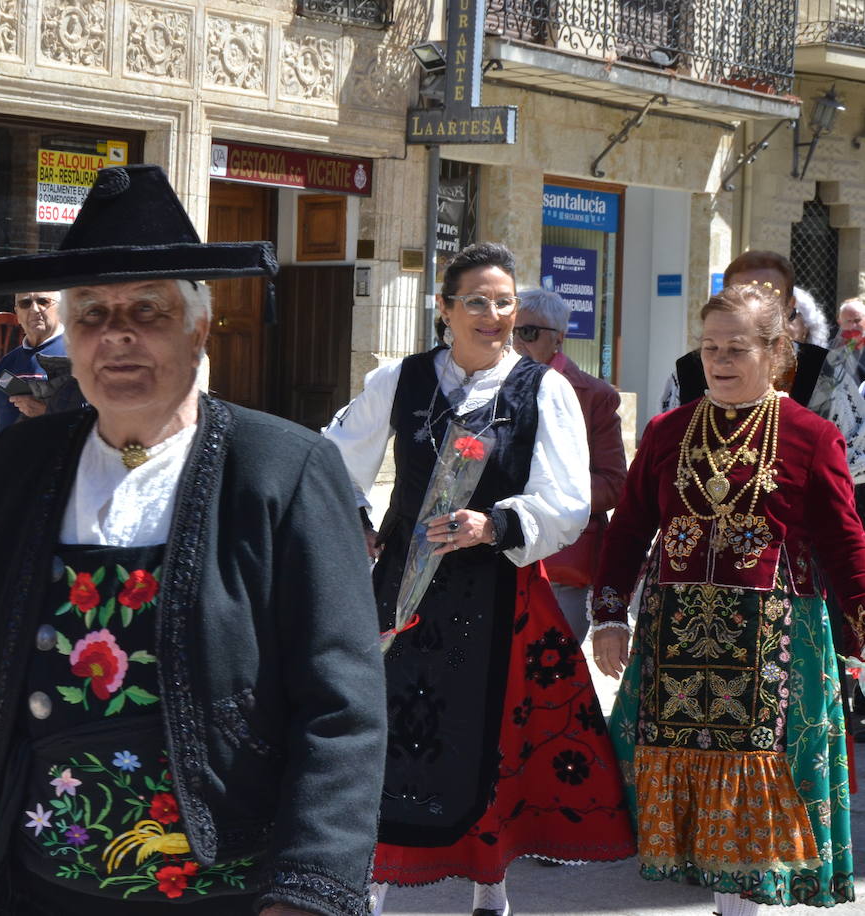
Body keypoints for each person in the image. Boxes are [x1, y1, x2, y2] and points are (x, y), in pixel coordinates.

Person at [0, 164, 387, 916]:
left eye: (149, 311)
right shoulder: (21, 465)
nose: (119, 336)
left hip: (228, 890)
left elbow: (342, 708)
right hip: (36, 885)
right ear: (68, 338)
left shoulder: (285, 469)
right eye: (94, 315)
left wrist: (307, 892)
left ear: (200, 329)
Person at [324, 242, 635, 916]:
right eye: (477, 302)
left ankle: (489, 890)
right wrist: (356, 518)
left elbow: (566, 499)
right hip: (402, 590)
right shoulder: (400, 382)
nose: (493, 315)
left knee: (487, 738)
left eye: (504, 303)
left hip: (497, 595)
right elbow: (333, 456)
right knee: (385, 730)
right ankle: (369, 889)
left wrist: (495, 522)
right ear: (444, 309)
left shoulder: (541, 389)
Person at [592, 284, 865, 912]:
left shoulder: (811, 436)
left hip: (774, 641)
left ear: (776, 352)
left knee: (756, 794)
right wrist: (609, 616)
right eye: (710, 346)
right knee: (685, 780)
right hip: (675, 635)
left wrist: (861, 635)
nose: (719, 359)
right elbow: (630, 527)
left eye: (737, 347)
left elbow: (845, 545)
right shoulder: (666, 432)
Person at [659, 251, 865, 482]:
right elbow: (666, 455)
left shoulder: (822, 371)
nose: (751, 308)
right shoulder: (688, 370)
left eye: (767, 299)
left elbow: (858, 456)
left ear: (789, 306)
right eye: (740, 296)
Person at [513, 287, 627, 643]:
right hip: (492, 556)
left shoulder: (596, 396)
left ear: (558, 339)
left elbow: (613, 484)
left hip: (559, 562)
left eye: (528, 332)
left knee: (551, 681)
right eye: (509, 331)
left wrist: (543, 492)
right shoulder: (484, 387)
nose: (516, 342)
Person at [0, 289, 66, 491]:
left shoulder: (79, 357)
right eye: (25, 304)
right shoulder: (7, 363)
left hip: (57, 483)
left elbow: (99, 423)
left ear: (62, 308)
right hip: (8, 482)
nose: (34, 309)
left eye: (43, 301)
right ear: (16, 313)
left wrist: (46, 413)